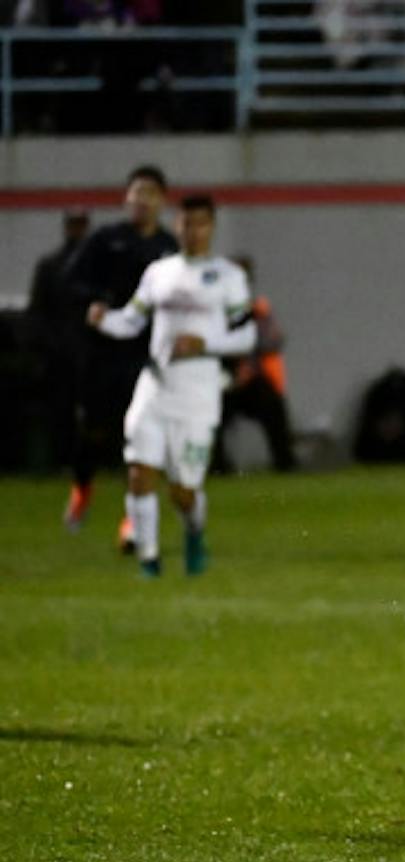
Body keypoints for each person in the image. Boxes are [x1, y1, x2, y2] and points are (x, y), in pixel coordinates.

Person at [87, 193, 256, 577]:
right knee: (138, 471)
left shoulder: (228, 276)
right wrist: (104, 319)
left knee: (183, 492)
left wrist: (205, 343)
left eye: (200, 224)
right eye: (185, 223)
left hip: (198, 393)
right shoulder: (158, 272)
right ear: (175, 225)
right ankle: (149, 559)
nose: (192, 231)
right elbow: (132, 321)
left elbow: (246, 336)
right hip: (156, 384)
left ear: (211, 227)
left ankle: (194, 532)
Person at [62, 164, 178, 544]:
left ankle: (132, 521)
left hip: (145, 357)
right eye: (135, 192)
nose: (140, 200)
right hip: (101, 353)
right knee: (92, 433)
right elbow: (71, 282)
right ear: (126, 197)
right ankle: (82, 490)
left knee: (143, 437)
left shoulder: (167, 249)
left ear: (161, 200)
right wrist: (92, 303)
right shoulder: (105, 240)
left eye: (149, 192)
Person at [214, 255, 297, 473]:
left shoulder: (257, 308)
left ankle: (285, 462)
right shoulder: (212, 308)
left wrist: (248, 367)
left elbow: (274, 340)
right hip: (219, 377)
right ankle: (217, 466)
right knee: (210, 412)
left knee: (272, 404)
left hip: (250, 377)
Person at [26, 208, 90, 468]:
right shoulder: (50, 265)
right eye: (74, 224)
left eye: (81, 224)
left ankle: (89, 462)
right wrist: (51, 345)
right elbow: (38, 311)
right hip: (59, 354)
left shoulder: (96, 265)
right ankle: (62, 461)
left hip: (90, 352)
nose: (77, 230)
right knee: (60, 411)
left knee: (94, 412)